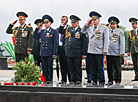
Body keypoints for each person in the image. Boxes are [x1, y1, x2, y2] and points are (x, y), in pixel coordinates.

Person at [59, 15, 88, 85]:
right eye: (72, 22)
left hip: (77, 52)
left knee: (77, 67)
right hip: (69, 52)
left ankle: (78, 80)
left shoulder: (81, 30)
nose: (72, 24)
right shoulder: (68, 29)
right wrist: (62, 24)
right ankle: (72, 80)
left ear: (77, 23)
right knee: (71, 67)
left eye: (74, 22)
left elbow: (85, 42)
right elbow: (60, 31)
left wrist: (84, 53)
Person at [82, 11, 109, 86]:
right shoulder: (90, 28)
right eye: (92, 20)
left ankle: (101, 80)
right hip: (91, 50)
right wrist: (87, 24)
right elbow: (82, 31)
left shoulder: (103, 28)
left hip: (99, 50)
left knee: (100, 67)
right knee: (93, 67)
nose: (94, 21)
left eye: (95, 19)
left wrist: (105, 49)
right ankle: (94, 80)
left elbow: (106, 39)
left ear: (99, 20)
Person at [33, 14, 58, 84]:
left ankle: (50, 79)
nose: (45, 24)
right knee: (44, 67)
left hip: (49, 52)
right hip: (43, 52)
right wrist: (37, 28)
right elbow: (35, 36)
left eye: (47, 23)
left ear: (50, 23)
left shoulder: (54, 31)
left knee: (50, 68)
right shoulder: (42, 31)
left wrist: (54, 52)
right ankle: (45, 79)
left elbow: (55, 43)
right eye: (44, 23)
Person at [106, 16, 125, 86]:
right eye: (111, 24)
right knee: (109, 67)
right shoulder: (108, 31)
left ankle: (118, 80)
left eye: (113, 24)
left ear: (116, 24)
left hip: (116, 52)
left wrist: (122, 52)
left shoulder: (120, 32)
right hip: (109, 52)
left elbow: (122, 43)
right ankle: (110, 80)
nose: (112, 25)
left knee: (117, 67)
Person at [57, 16, 71, 84]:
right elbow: (60, 31)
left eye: (64, 20)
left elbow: (64, 32)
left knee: (68, 65)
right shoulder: (59, 29)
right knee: (62, 65)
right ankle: (63, 79)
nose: (63, 21)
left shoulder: (69, 28)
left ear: (67, 21)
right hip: (60, 49)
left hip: (67, 49)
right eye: (62, 20)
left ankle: (71, 79)